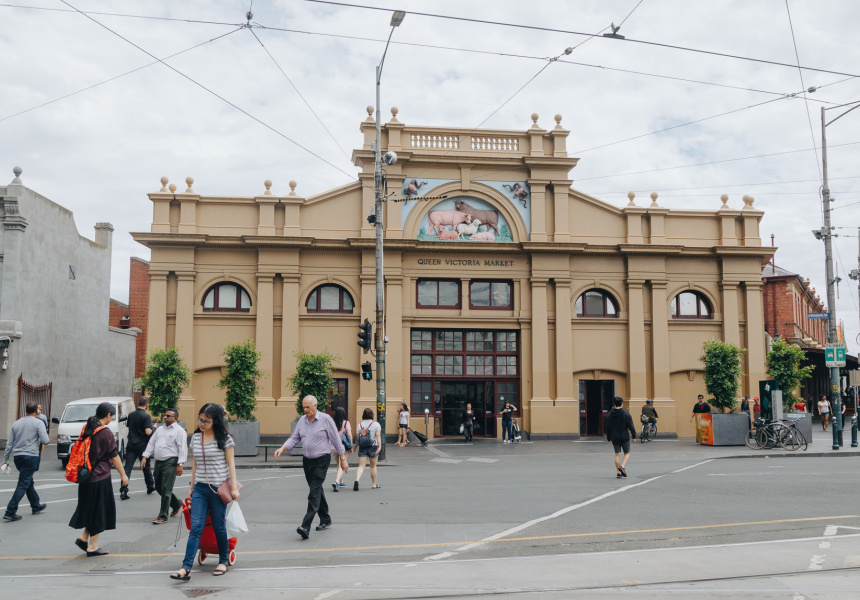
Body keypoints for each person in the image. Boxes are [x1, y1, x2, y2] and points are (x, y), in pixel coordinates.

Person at [171, 403, 239, 581]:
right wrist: (191, 488)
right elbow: (195, 465)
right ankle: (186, 567)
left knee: (218, 526)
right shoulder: (195, 438)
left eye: (206, 421)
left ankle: (223, 560)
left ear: (215, 421)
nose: (201, 424)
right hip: (201, 488)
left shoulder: (225, 439)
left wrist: (233, 488)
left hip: (218, 490)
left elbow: (231, 463)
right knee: (196, 528)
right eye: (200, 420)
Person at [273, 395, 347, 540]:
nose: (305, 410)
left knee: (313, 493)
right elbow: (294, 437)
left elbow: (335, 440)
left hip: (321, 460)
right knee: (317, 489)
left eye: (308, 407)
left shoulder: (325, 419)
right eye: (304, 407)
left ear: (315, 406)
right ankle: (325, 518)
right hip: (307, 461)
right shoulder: (302, 420)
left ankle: (305, 526)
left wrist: (342, 459)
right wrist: (282, 448)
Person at [70, 402, 130, 556]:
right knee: (99, 510)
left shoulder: (88, 427)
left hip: (85, 476)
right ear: (108, 415)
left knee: (91, 509)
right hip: (99, 477)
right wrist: (123, 474)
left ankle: (84, 538)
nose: (111, 419)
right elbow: (114, 456)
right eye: (112, 416)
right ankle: (93, 546)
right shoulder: (105, 432)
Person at [3, 402, 49, 521]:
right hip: (31, 456)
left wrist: (5, 460)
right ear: (36, 411)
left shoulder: (16, 423)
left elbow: (9, 444)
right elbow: (45, 440)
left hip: (18, 457)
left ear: (26, 411)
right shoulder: (38, 422)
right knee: (23, 483)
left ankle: (35, 505)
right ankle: (10, 510)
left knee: (28, 481)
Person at [141, 407, 187, 524]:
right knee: (158, 487)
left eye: (168, 416)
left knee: (166, 489)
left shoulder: (179, 431)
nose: (165, 417)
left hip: (170, 462)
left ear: (175, 418)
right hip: (158, 462)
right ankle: (176, 503)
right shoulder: (160, 430)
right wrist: (145, 456)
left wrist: (180, 464)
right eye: (165, 415)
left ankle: (162, 516)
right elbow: (152, 443)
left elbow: (182, 448)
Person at [121, 396, 155, 499]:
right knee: (146, 467)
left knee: (128, 468)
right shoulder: (146, 416)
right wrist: (154, 428)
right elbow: (148, 432)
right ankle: (150, 486)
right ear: (146, 404)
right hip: (142, 445)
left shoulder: (131, 415)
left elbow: (130, 427)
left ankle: (123, 490)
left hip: (131, 444)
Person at [605, 396, 636, 478]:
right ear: (622, 403)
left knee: (617, 454)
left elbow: (608, 426)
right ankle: (622, 466)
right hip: (624, 437)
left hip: (615, 437)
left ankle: (618, 472)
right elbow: (631, 425)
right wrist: (634, 435)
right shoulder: (626, 413)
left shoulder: (610, 414)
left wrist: (609, 438)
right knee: (627, 453)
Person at [353, 408, 382, 491]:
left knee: (361, 466)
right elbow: (378, 436)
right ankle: (374, 484)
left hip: (362, 447)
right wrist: (380, 446)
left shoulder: (360, 425)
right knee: (373, 466)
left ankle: (357, 480)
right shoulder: (376, 424)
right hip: (373, 446)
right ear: (372, 415)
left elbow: (358, 437)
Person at [331, 407, 352, 492]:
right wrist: (350, 446)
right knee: (342, 465)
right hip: (343, 447)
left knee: (338, 464)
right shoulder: (346, 423)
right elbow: (349, 435)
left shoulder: (332, 423)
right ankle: (336, 481)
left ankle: (341, 481)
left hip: (333, 447)